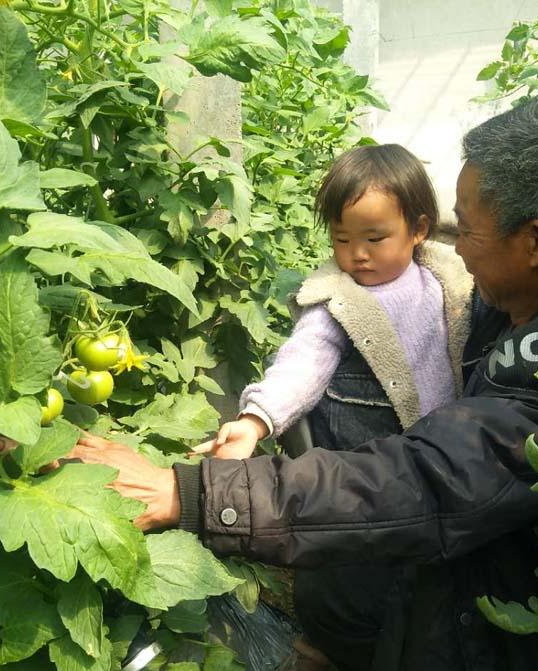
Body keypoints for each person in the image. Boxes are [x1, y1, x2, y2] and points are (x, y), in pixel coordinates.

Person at [54, 96, 538, 671]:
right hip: (439, 625)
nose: (453, 243)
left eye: (467, 228)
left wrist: (193, 493)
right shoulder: (517, 308)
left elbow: (426, 480)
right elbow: (311, 365)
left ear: (537, 242)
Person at [193, 143, 472, 465]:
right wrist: (255, 421)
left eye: (375, 239)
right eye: (342, 239)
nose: (358, 253)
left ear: (418, 230)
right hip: (370, 462)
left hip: (449, 450)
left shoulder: (450, 279)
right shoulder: (338, 302)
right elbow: (303, 363)